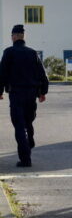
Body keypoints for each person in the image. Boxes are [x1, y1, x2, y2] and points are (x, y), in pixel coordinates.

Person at [0, 25, 49, 167]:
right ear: (23, 36)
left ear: (14, 36)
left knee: (19, 126)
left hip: (16, 94)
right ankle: (30, 140)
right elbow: (42, 74)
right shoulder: (33, 53)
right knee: (28, 121)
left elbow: (2, 74)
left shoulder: (8, 52)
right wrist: (42, 92)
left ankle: (25, 159)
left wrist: (0, 91)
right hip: (31, 94)